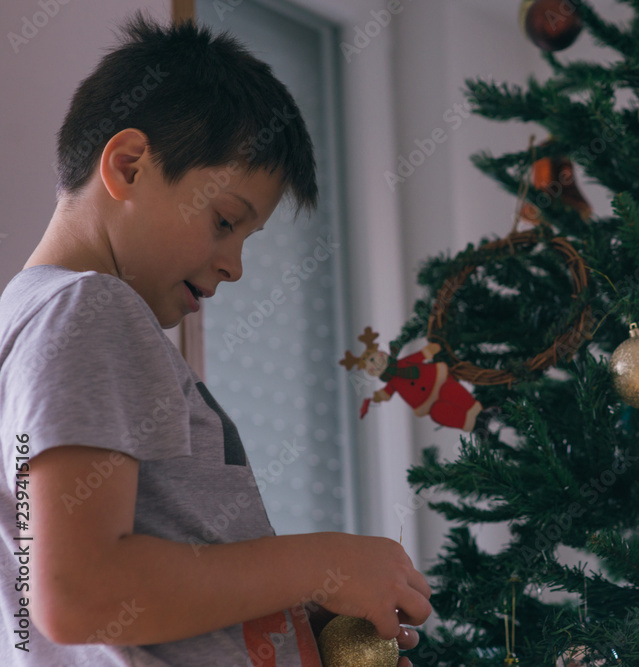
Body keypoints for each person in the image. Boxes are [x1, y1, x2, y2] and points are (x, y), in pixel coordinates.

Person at [0, 12, 431, 666]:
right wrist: (323, 562)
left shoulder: (38, 317)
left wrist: (295, 615)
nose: (234, 265)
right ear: (129, 164)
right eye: (225, 220)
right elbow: (78, 591)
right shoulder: (88, 309)